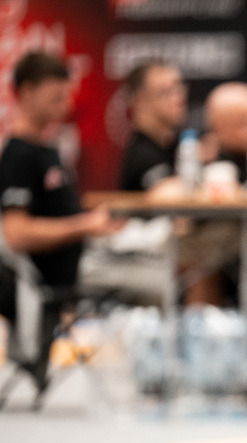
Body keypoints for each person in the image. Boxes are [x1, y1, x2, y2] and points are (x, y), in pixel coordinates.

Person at [0, 52, 119, 290]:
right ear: (27, 92)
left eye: (65, 97)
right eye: (56, 98)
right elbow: (17, 233)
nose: (67, 105)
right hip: (43, 289)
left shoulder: (48, 149)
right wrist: (85, 225)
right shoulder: (18, 155)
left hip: (73, 274)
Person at [119, 60, 187, 192]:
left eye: (180, 89)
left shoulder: (179, 148)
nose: (179, 98)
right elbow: (167, 197)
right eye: (166, 92)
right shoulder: (142, 158)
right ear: (138, 100)